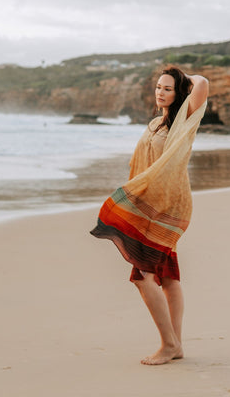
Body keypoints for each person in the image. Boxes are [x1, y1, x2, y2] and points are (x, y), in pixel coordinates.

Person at [90, 65, 209, 365]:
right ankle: (176, 345)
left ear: (179, 93)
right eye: (158, 86)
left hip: (168, 203)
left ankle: (168, 344)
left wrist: (181, 80)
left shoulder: (183, 123)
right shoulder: (156, 123)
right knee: (167, 276)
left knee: (144, 277)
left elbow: (202, 82)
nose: (160, 92)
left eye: (168, 88)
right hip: (149, 203)